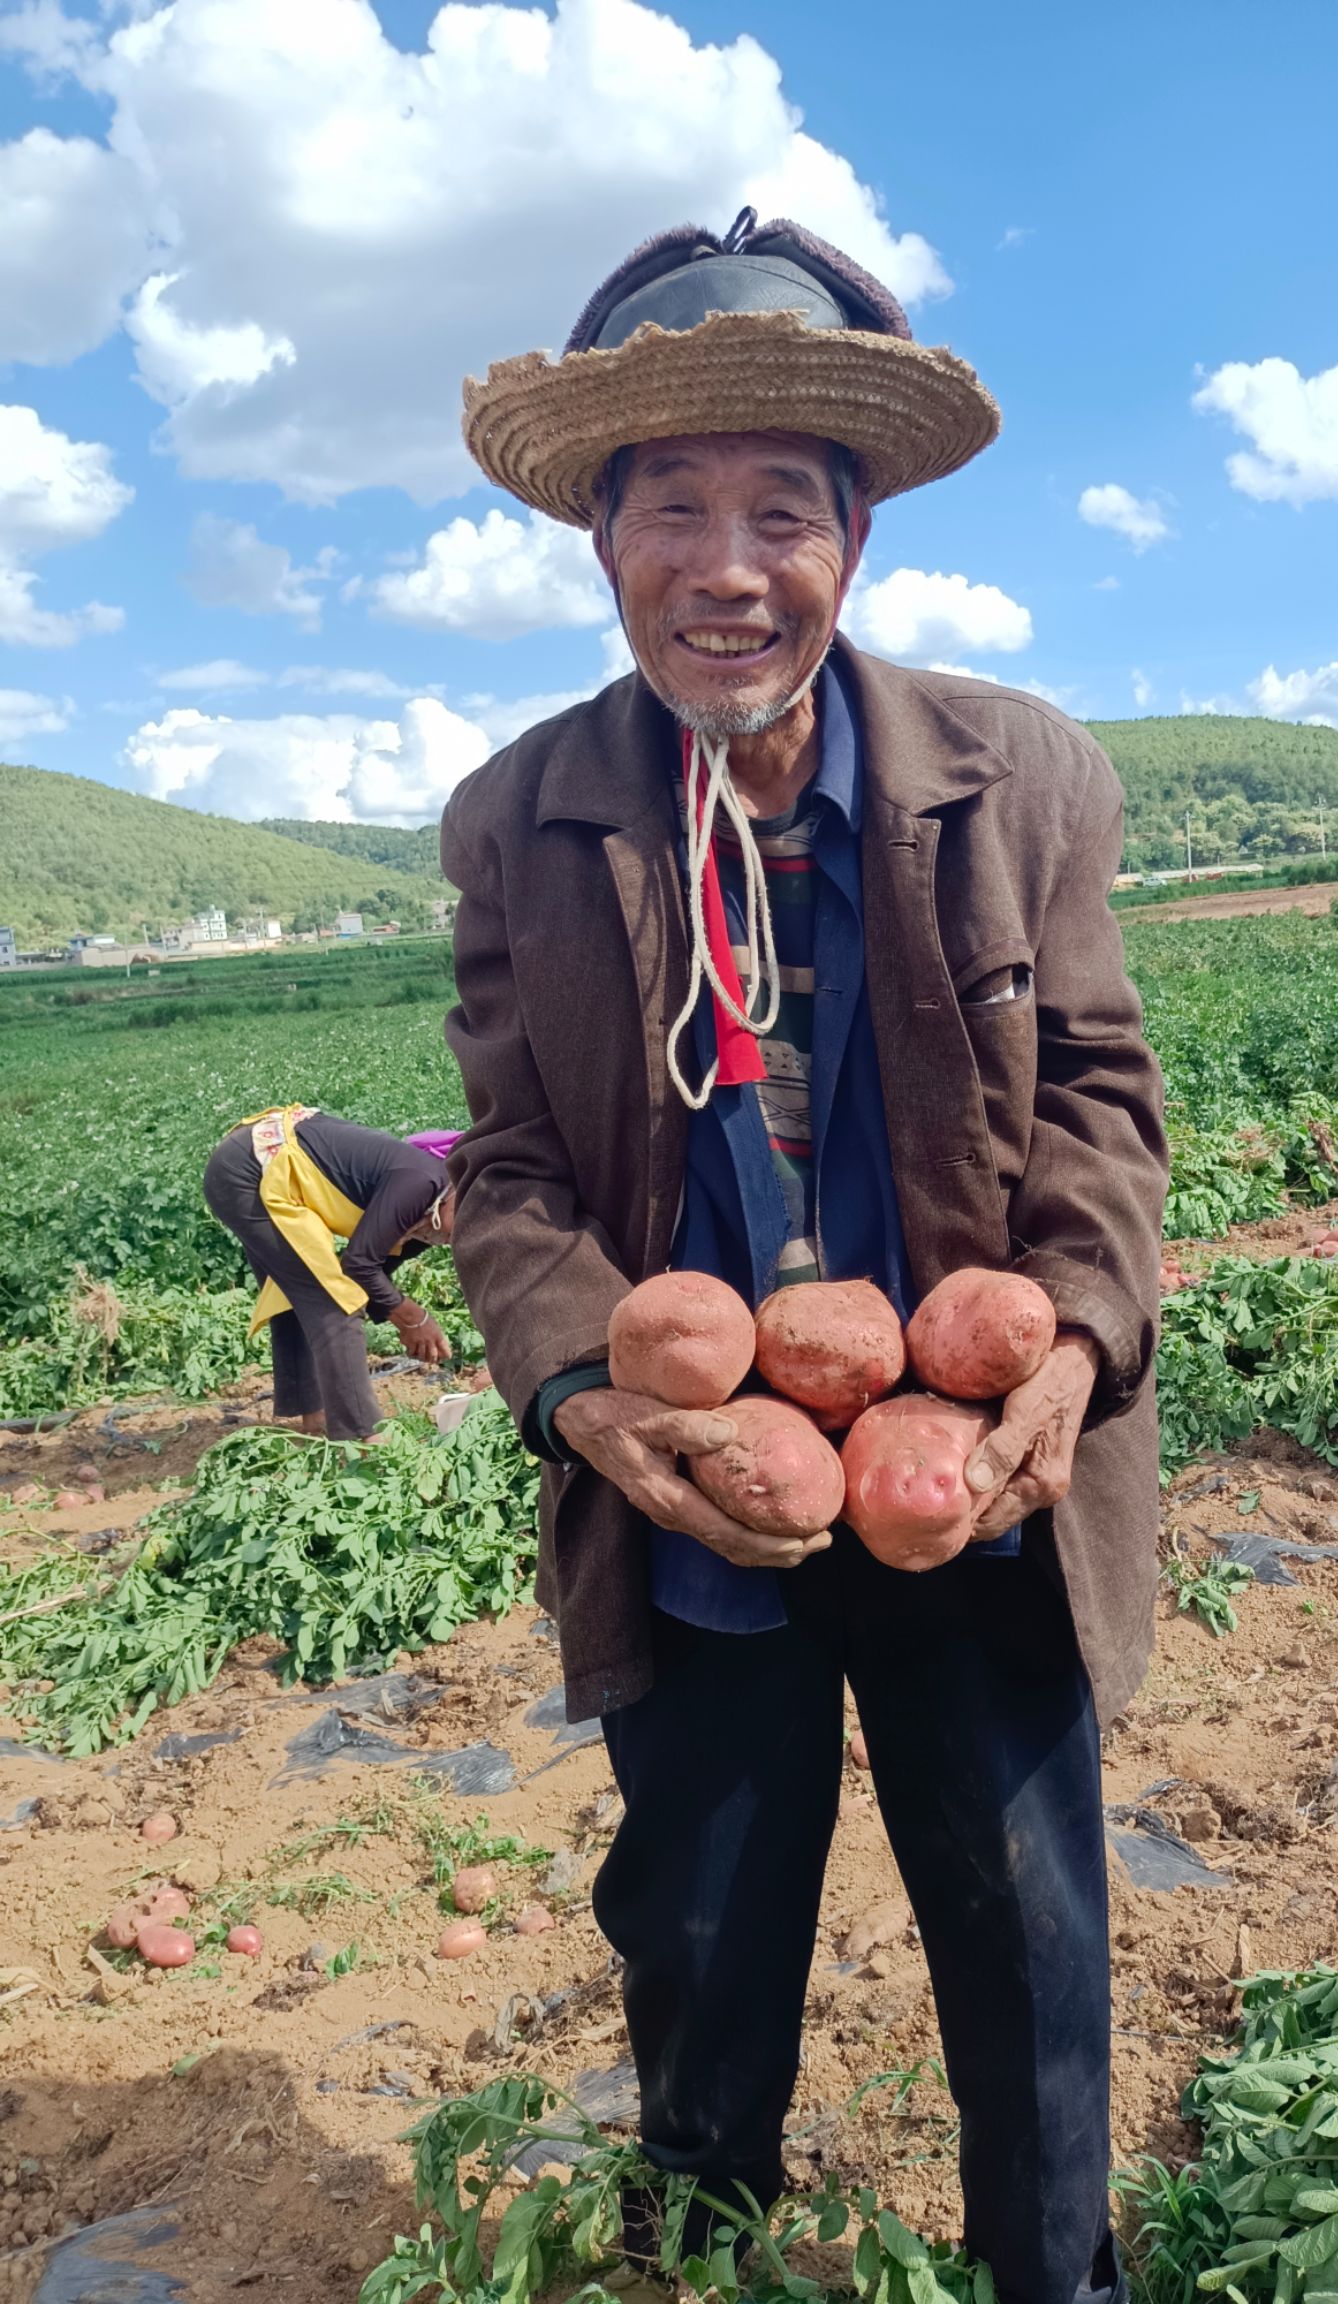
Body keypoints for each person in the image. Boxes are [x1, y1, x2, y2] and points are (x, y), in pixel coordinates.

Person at [443, 210, 1167, 2304]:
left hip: (980, 1479)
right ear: (602, 542)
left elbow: (1106, 1101)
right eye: (671, 508)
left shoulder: (1018, 776)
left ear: (856, 542)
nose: (726, 564)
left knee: (1031, 1934)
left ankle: (1057, 2281)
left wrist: (1071, 1351)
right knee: (699, 1926)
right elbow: (503, 1168)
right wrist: (589, 1388)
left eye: (783, 507)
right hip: (702, 1503)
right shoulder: (524, 820)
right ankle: (711, 2250)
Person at [202, 1106, 456, 1440]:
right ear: (461, 1195)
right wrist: (412, 1317)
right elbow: (357, 1266)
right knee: (334, 1301)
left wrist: (403, 1315)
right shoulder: (421, 1183)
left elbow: (371, 1272)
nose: (460, 1241)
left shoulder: (431, 1223)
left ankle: (316, 1417)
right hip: (251, 1170)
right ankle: (362, 1440)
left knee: (304, 1290)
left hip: (263, 1166)